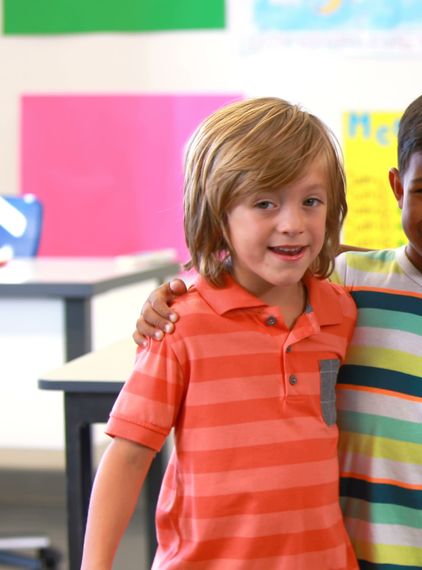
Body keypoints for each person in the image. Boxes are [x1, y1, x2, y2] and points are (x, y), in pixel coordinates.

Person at [132, 79, 422, 569]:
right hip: (327, 553)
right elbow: (258, 268)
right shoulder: (343, 282)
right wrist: (175, 294)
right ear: (397, 187)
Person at [84, 97, 358, 568]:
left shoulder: (340, 311)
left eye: (311, 201)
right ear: (218, 217)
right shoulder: (180, 323)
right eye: (265, 203)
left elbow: (403, 265)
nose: (293, 224)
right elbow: (128, 457)